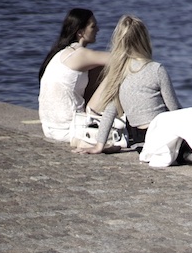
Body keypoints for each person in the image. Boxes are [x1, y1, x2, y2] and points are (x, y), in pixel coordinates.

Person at [75, 14, 181, 155]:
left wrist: (99, 146)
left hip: (139, 142)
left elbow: (110, 112)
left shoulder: (119, 71)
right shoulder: (156, 69)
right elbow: (175, 110)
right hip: (161, 137)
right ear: (144, 40)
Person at [38, 8, 110, 141]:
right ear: (80, 32)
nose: (98, 29)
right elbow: (120, 59)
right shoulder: (79, 54)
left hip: (49, 128)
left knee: (100, 67)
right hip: (71, 130)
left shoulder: (61, 53)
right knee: (116, 71)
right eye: (93, 26)